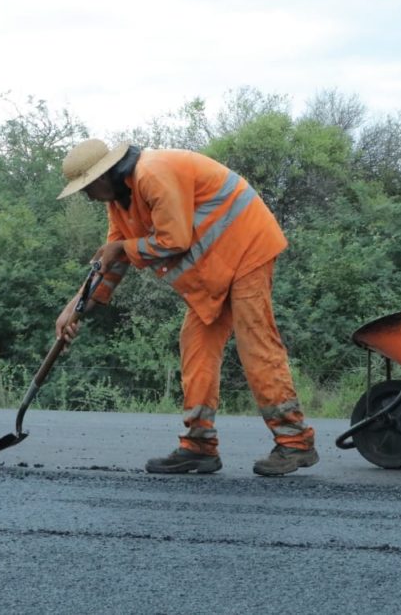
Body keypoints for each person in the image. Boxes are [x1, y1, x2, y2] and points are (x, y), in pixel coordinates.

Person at [55, 139, 317, 476]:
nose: (86, 196)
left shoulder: (153, 174)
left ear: (102, 177)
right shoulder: (120, 203)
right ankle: (199, 446)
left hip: (247, 249)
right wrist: (73, 310)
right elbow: (111, 262)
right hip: (215, 269)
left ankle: (295, 442)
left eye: (85, 188)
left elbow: (172, 240)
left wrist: (121, 247)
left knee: (256, 346)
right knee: (195, 348)